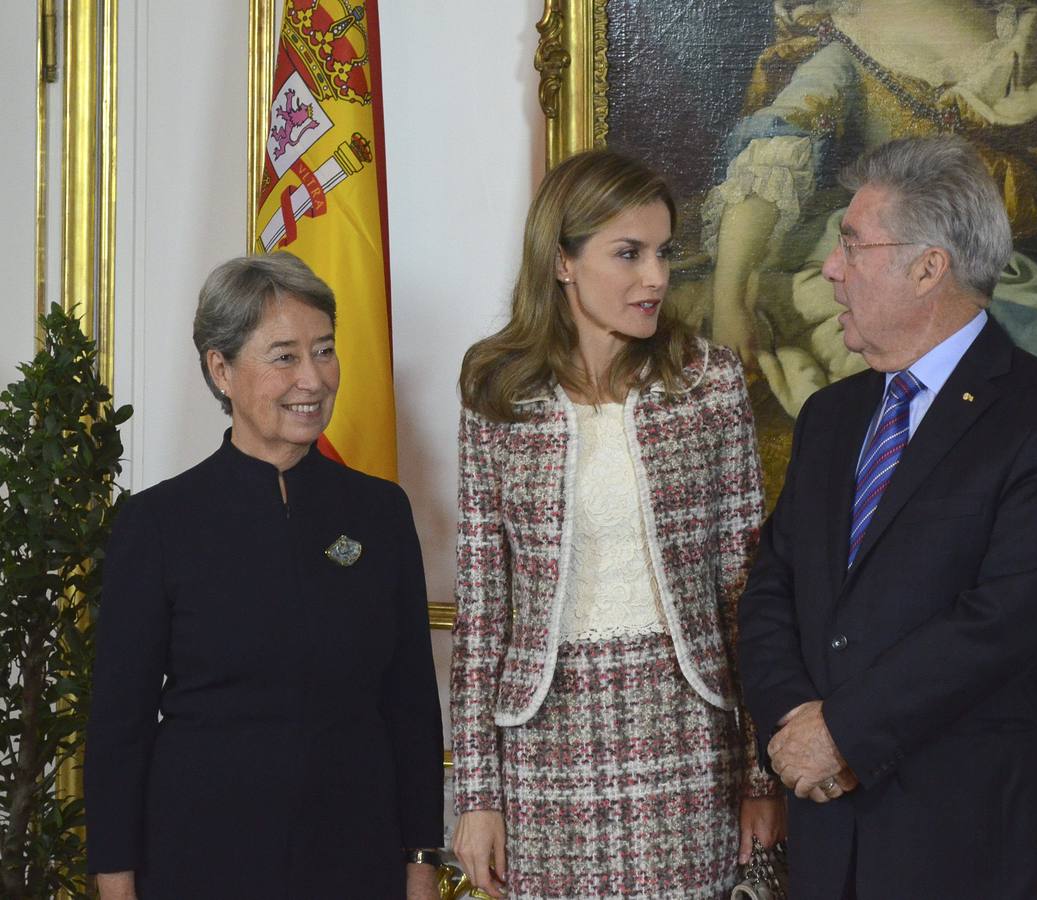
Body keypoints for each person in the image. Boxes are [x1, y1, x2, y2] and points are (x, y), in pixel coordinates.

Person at [737, 136, 1037, 899]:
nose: (831, 270)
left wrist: (840, 732)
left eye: (850, 245)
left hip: (968, 843)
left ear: (928, 267)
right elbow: (772, 583)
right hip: (825, 833)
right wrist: (792, 725)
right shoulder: (830, 416)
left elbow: (1003, 619)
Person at [449, 149, 785, 899]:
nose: (657, 278)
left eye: (664, 253)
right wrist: (476, 795)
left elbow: (747, 586)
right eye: (628, 254)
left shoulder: (708, 380)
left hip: (688, 733)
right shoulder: (495, 388)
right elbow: (483, 605)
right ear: (562, 261)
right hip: (542, 741)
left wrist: (762, 772)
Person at [702, 0, 1037, 529]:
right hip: (940, 273)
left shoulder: (1013, 36)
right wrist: (730, 298)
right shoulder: (851, 47)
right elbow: (774, 157)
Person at [85, 253, 443, 900]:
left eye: (325, 350)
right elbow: (119, 729)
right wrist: (115, 885)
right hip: (200, 862)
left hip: (355, 864)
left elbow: (412, 709)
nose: (314, 378)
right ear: (220, 369)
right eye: (284, 356)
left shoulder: (381, 513)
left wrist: (420, 865)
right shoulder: (157, 524)